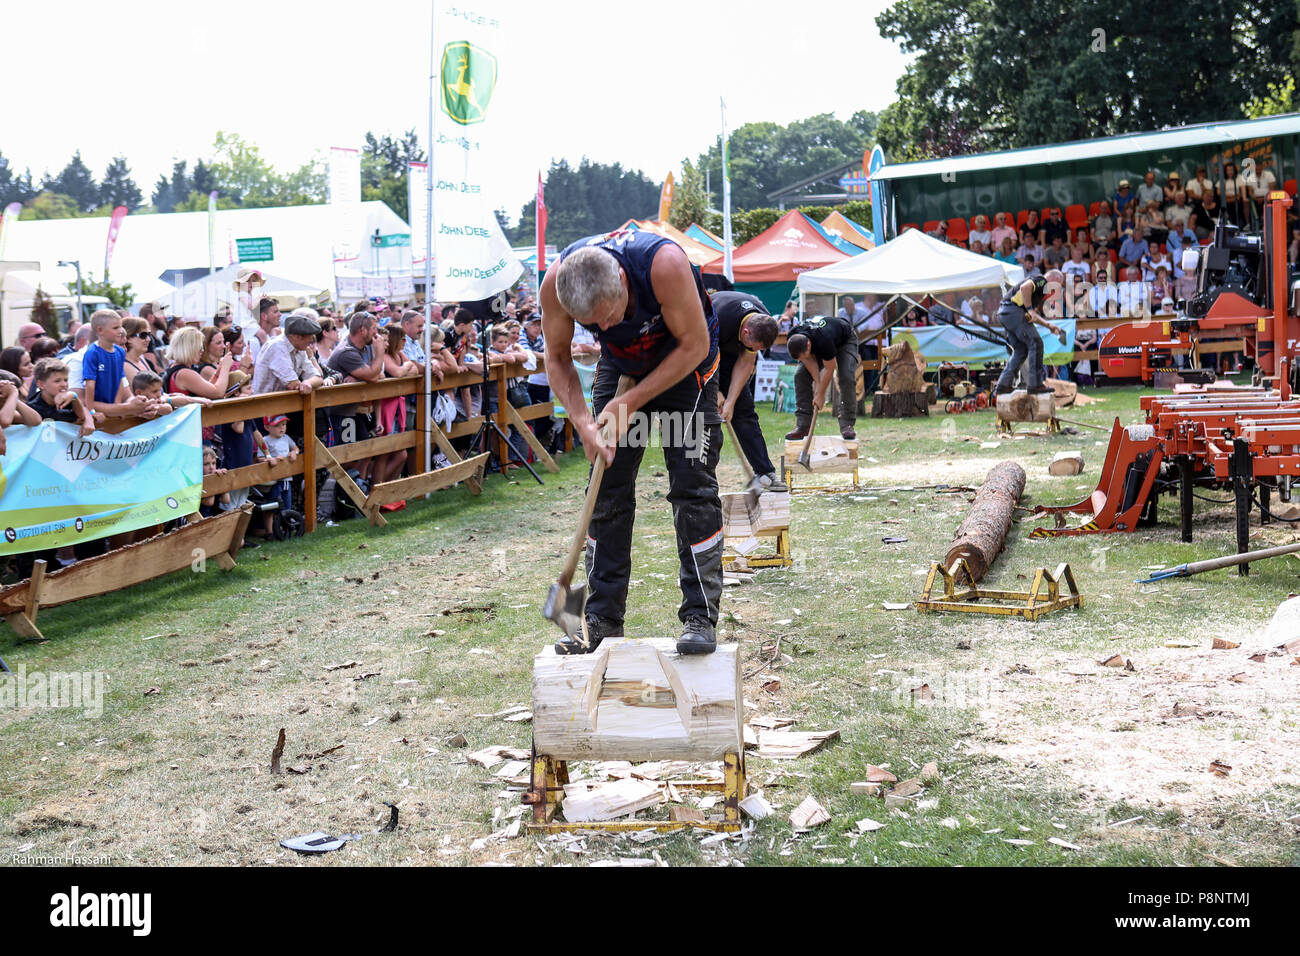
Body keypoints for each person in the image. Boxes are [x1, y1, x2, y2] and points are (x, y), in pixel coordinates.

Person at [540, 229, 723, 657]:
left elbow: (694, 344)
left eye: (609, 316)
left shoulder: (663, 265)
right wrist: (584, 423)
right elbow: (558, 357)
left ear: (623, 282)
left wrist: (631, 401)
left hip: (687, 362)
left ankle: (700, 615)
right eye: (594, 324)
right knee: (606, 487)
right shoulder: (555, 282)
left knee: (692, 486)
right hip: (622, 367)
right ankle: (600, 619)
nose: (604, 327)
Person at [710, 291, 780, 491]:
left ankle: (765, 472)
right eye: (752, 345)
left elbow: (746, 360)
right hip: (698, 350)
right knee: (706, 416)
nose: (753, 349)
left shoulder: (763, 322)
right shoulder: (717, 317)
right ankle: (702, 480)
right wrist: (714, 391)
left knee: (744, 410)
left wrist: (731, 401)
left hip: (729, 351)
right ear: (746, 333)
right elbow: (698, 357)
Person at [785, 311, 859, 441]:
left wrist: (820, 394)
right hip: (819, 343)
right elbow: (808, 360)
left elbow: (830, 368)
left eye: (804, 355)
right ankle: (802, 425)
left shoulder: (824, 339)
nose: (803, 359)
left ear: (808, 345)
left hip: (845, 340)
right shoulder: (793, 335)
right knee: (800, 375)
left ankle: (847, 424)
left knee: (846, 376)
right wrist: (817, 384)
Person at [992, 269, 1066, 396]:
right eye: (1059, 285)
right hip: (1013, 311)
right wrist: (1030, 309)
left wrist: (1049, 326)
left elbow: (1032, 316)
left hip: (1006, 313)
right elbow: (1025, 287)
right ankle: (1035, 384)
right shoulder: (1042, 280)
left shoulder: (1038, 293)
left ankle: (1003, 385)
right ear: (1055, 280)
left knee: (1021, 350)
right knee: (1036, 343)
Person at [252, 313, 324, 395]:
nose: (312, 340)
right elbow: (292, 384)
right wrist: (307, 384)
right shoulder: (277, 346)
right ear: (297, 337)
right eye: (310, 336)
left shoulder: (300, 348)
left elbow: (318, 378)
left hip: (282, 403)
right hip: (263, 404)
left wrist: (308, 382)